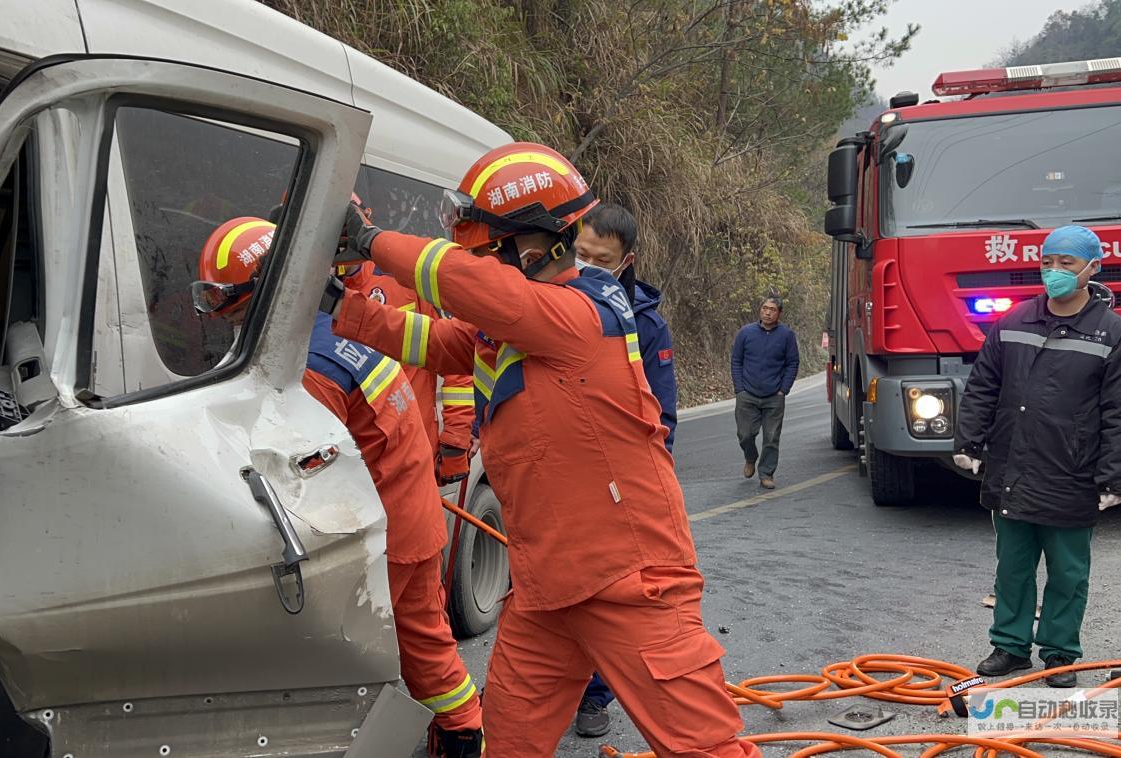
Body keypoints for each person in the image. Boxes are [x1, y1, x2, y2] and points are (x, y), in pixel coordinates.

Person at [330, 142, 759, 758]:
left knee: (703, 749)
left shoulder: (581, 311)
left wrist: (372, 241)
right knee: (508, 741)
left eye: (483, 250)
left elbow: (470, 288)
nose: (476, 263)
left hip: (628, 578)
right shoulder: (515, 326)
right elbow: (433, 338)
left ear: (533, 246)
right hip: (546, 585)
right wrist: (339, 309)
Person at [192, 217, 483, 757]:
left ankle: (444, 736)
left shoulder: (313, 372)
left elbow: (300, 481)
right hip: (410, 517)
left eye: (237, 316)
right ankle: (464, 733)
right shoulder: (337, 331)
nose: (233, 330)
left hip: (385, 535)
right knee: (426, 645)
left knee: (349, 661)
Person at [954, 224, 1121, 688]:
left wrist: (1116, 478)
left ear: (1092, 269)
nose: (1054, 272)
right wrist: (969, 442)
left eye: (1067, 264)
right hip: (1013, 469)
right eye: (1049, 262)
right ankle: (1010, 647)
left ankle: (1059, 652)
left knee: (1068, 573)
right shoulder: (1014, 322)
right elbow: (983, 387)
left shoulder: (1114, 334)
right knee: (1012, 567)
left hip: (1071, 474)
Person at [569, 202, 678, 737]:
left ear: (626, 260)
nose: (587, 266)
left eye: (601, 259)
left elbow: (663, 413)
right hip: (560, 478)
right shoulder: (552, 300)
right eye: (581, 253)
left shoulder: (645, 324)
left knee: (614, 594)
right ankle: (560, 685)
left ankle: (595, 695)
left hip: (616, 486)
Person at [338, 259, 477, 484]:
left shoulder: (403, 281)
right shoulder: (300, 295)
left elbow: (457, 368)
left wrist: (454, 444)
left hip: (410, 451)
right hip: (346, 460)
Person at [730, 297, 799, 490]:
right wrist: (739, 389)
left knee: (771, 437)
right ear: (760, 310)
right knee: (745, 434)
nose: (767, 312)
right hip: (747, 394)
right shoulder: (746, 333)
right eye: (764, 308)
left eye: (772, 309)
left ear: (779, 313)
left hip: (773, 396)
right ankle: (750, 457)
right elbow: (736, 361)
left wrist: (783, 390)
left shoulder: (787, 335)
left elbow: (792, 363)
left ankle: (766, 473)